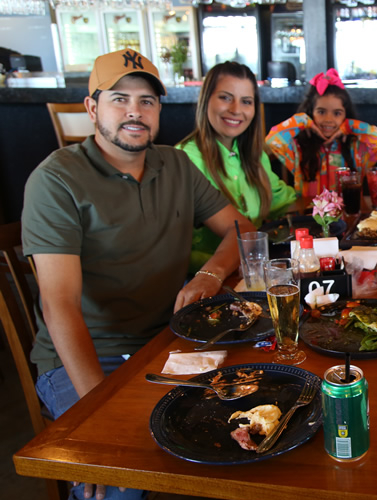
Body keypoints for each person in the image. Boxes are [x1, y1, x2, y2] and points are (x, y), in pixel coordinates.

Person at [21, 49, 255, 500]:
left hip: (166, 341)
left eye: (147, 101)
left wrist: (209, 274)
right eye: (119, 99)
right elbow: (59, 305)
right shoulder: (56, 180)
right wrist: (97, 414)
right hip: (87, 357)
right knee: (118, 479)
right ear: (92, 108)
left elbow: (241, 229)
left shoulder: (176, 164)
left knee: (255, 422)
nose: (135, 111)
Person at [177, 61, 296, 272]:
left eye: (246, 101)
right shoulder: (183, 160)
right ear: (206, 100)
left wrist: (328, 205)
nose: (236, 110)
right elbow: (173, 248)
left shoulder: (255, 155)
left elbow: (283, 201)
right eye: (225, 98)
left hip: (257, 274)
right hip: (207, 280)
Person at [265, 68, 377, 197]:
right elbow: (272, 139)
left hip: (348, 210)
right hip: (309, 210)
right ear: (311, 113)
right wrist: (304, 121)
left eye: (337, 113)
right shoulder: (298, 149)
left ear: (345, 115)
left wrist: (349, 126)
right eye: (321, 112)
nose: (328, 119)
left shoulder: (356, 149)